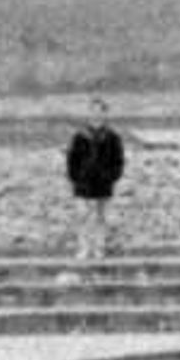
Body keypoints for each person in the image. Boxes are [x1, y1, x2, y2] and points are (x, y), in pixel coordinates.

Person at [64, 105, 129, 263]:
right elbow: (71, 160)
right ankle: (84, 248)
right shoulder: (79, 136)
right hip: (83, 183)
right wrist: (76, 177)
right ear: (89, 115)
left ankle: (99, 248)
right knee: (82, 216)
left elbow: (119, 160)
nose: (96, 116)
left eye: (100, 113)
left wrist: (112, 176)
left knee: (102, 217)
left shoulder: (113, 137)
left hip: (103, 183)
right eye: (93, 113)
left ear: (105, 115)